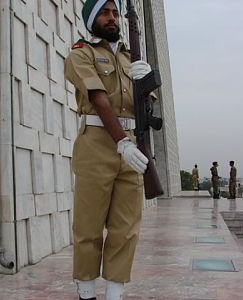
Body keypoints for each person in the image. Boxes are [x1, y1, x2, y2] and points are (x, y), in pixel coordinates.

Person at [65, 1, 153, 299]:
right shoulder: (81, 53)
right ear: (92, 19)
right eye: (105, 13)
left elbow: (147, 107)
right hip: (97, 145)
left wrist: (148, 81)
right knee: (89, 227)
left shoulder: (132, 59)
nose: (112, 18)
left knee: (126, 227)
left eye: (115, 13)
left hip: (133, 147)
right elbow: (99, 99)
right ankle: (86, 294)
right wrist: (122, 143)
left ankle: (114, 294)